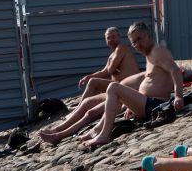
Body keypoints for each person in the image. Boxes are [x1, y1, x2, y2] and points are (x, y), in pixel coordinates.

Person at [39, 22, 184, 148]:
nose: (137, 45)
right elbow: (152, 81)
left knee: (112, 88)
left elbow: (175, 71)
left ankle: (103, 134)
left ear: (148, 35)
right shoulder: (149, 54)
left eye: (139, 39)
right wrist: (130, 105)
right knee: (94, 103)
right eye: (133, 42)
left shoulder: (158, 51)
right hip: (146, 103)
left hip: (156, 105)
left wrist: (178, 96)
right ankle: (61, 133)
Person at [74, 27, 136, 98]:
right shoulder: (112, 55)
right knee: (94, 87)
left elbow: (110, 70)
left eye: (113, 37)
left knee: (93, 82)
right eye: (108, 38)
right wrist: (87, 77)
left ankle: (80, 106)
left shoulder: (121, 48)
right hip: (118, 86)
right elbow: (104, 72)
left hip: (129, 86)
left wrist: (92, 78)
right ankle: (81, 105)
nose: (111, 40)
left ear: (119, 37)